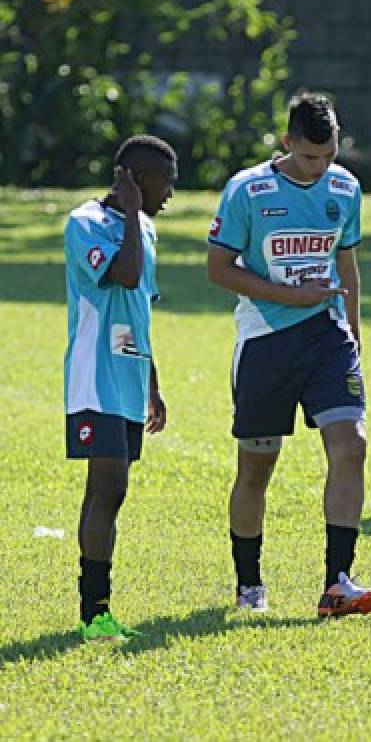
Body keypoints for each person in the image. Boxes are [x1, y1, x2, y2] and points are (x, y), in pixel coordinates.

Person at [207, 92, 371, 618]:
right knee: (257, 469)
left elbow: (346, 264)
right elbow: (218, 270)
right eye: (309, 157)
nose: (320, 167)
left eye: (328, 155)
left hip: (327, 339)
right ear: (286, 144)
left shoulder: (345, 187)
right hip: (265, 343)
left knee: (351, 444)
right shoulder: (248, 190)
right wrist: (291, 296)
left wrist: (353, 330)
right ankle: (249, 584)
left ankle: (337, 582)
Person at [65, 135, 177, 642]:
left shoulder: (145, 228)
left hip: (128, 381)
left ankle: (96, 612)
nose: (170, 195)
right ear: (133, 179)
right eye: (164, 184)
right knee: (106, 491)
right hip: (94, 381)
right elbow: (125, 276)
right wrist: (132, 213)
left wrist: (152, 385)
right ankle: (94, 614)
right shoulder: (84, 223)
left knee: (112, 492)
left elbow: (142, 309)